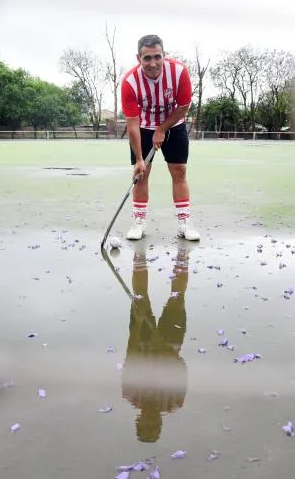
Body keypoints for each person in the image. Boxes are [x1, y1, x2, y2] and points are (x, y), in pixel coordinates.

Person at [120, 34, 200, 241]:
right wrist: (139, 159)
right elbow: (132, 124)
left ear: (164, 55)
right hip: (143, 126)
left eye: (157, 56)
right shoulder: (130, 82)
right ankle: (139, 221)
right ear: (138, 58)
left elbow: (183, 106)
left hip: (174, 122)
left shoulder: (179, 72)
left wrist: (162, 129)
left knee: (179, 170)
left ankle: (184, 222)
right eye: (147, 58)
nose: (153, 63)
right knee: (141, 174)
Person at [121, 240, 190, 443]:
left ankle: (140, 254)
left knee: (140, 298)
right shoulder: (174, 401)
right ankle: (183, 257)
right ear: (160, 422)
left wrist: (138, 321)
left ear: (139, 420)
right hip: (170, 343)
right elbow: (181, 366)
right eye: (153, 425)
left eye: (146, 424)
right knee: (177, 299)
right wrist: (163, 349)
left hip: (141, 340)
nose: (150, 420)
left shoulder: (131, 393)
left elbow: (131, 354)